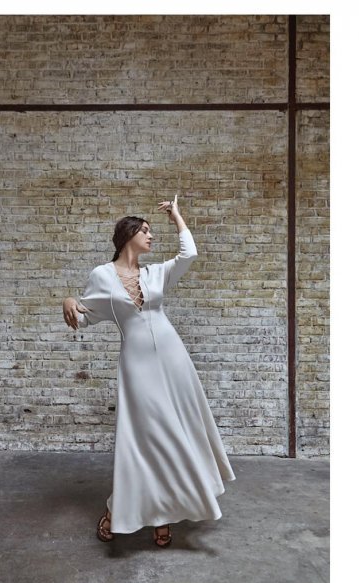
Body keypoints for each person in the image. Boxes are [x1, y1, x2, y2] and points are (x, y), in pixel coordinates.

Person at [62, 195, 236, 548]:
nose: (151, 236)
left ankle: (164, 515)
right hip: (137, 365)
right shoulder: (101, 276)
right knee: (144, 439)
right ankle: (119, 510)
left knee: (175, 433)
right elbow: (84, 317)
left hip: (173, 359)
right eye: (145, 230)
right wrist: (68, 301)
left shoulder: (155, 273)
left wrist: (177, 216)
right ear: (128, 235)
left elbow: (189, 254)